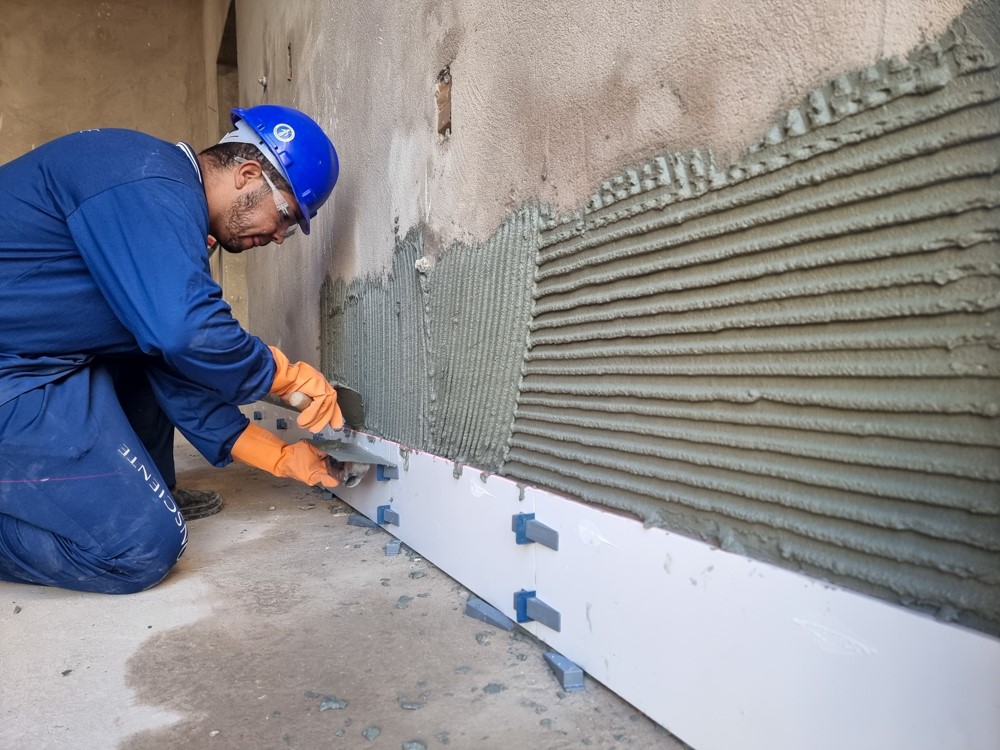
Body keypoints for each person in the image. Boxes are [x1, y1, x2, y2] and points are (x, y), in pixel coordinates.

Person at [0, 104, 346, 594]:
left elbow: (172, 364)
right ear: (248, 175)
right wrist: (280, 373)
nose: (278, 236)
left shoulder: (159, 198)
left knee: (146, 353)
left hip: (32, 363)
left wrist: (279, 455)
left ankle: (137, 489)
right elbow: (185, 331)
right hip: (15, 375)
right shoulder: (147, 181)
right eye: (286, 216)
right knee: (141, 549)